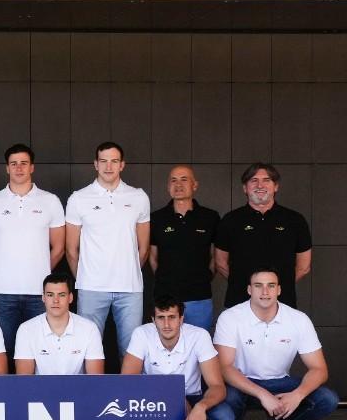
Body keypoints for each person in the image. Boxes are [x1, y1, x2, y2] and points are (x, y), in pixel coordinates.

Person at [214, 268, 338, 420]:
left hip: (280, 384)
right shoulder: (231, 317)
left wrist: (298, 395)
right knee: (226, 393)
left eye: (271, 286)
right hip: (241, 383)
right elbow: (224, 367)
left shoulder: (298, 319)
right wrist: (262, 394)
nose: (265, 292)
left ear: (279, 290)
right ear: (249, 290)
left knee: (327, 399)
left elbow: (319, 369)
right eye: (258, 286)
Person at [122, 295, 231, 420]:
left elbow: (218, 387)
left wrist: (201, 407)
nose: (166, 324)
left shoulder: (199, 336)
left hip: (192, 397)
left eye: (172, 317)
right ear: (153, 320)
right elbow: (128, 380)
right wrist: (173, 398)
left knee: (224, 417)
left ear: (181, 318)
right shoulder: (142, 333)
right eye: (161, 318)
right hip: (152, 398)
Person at [0, 143, 65, 355]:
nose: (18, 168)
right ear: (7, 168)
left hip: (39, 293)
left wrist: (41, 270)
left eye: (24, 163)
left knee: (40, 349)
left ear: (32, 167)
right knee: (4, 350)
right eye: (13, 164)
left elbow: (59, 247)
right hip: (3, 292)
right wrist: (0, 270)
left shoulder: (50, 201)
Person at [65, 141, 151, 355]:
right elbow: (71, 250)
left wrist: (128, 270)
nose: (108, 166)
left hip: (129, 288)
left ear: (122, 165)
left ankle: (129, 391)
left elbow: (143, 248)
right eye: (103, 161)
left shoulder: (139, 197)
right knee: (87, 350)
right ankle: (87, 391)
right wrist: (86, 277)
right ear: (95, 164)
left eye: (114, 161)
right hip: (91, 288)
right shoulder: (79, 198)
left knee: (131, 351)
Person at [215, 163, 312, 309]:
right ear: (245, 188)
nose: (260, 185)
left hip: (282, 303)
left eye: (266, 180)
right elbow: (221, 263)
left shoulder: (295, 220)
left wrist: (275, 287)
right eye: (253, 180)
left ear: (276, 186)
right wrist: (248, 286)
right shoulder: (230, 220)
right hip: (239, 303)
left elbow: (303, 267)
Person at [149, 165, 220, 332]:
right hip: (165, 299)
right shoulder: (156, 218)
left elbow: (215, 256)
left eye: (184, 179)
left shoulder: (210, 217)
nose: (178, 184)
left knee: (199, 348)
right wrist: (166, 279)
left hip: (199, 297)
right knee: (164, 349)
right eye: (173, 180)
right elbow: (152, 257)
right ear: (168, 187)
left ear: (194, 185)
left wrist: (205, 277)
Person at [13, 274, 104, 375]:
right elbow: (24, 381)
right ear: (43, 298)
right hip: (40, 390)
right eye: (50, 295)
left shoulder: (89, 329)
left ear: (70, 298)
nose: (55, 300)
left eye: (61, 295)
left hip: (79, 390)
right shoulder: (26, 330)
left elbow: (96, 380)